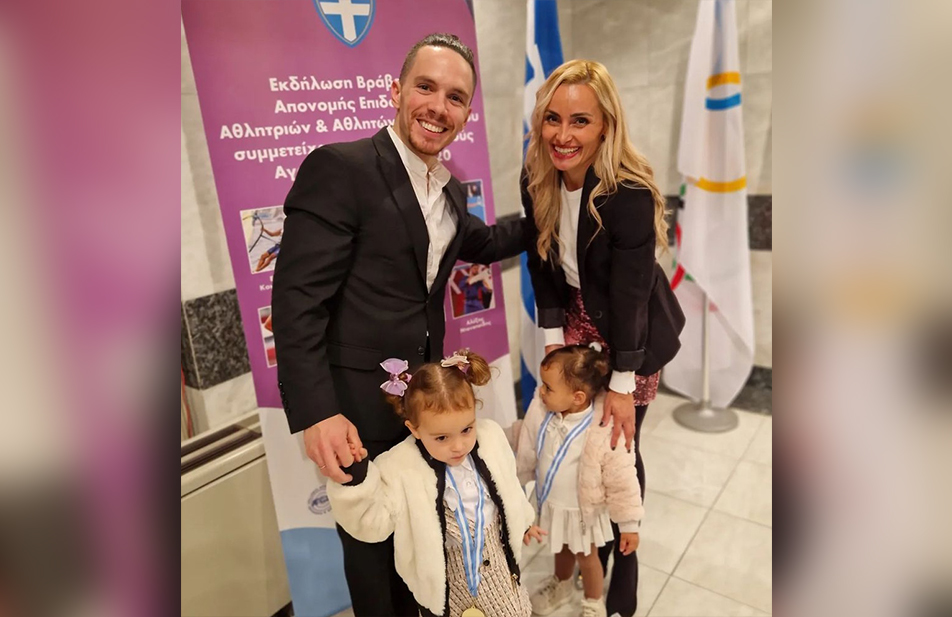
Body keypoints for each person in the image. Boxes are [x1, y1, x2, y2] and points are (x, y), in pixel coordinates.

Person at [271, 33, 529, 616]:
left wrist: (556, 200)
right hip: (354, 411)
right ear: (396, 90)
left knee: (420, 544)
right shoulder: (341, 168)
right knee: (371, 555)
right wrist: (316, 412)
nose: (439, 106)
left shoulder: (450, 189)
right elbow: (296, 301)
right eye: (426, 87)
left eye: (455, 97)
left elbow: (485, 242)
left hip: (423, 406)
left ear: (467, 112)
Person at [521, 59, 683, 617]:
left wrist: (621, 382)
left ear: (605, 125)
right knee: (575, 442)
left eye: (580, 121)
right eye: (553, 119)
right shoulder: (537, 177)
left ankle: (624, 563)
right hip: (574, 319)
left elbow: (633, 294)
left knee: (617, 446)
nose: (563, 135)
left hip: (630, 331)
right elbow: (541, 265)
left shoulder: (628, 192)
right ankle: (587, 548)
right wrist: (552, 340)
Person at [326, 350, 545, 617]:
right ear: (414, 429)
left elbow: (508, 487)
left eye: (467, 429)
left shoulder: (491, 439)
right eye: (442, 438)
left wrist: (523, 521)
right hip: (446, 584)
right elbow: (375, 522)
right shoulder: (400, 468)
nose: (458, 446)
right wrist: (356, 474)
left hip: (499, 568)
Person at [515, 345, 643, 617]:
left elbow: (622, 478)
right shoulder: (543, 411)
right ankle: (561, 584)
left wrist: (629, 525)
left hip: (583, 511)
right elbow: (525, 443)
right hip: (554, 504)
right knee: (560, 547)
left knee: (587, 558)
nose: (541, 392)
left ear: (577, 397)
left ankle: (593, 602)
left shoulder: (602, 428)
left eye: (548, 388)